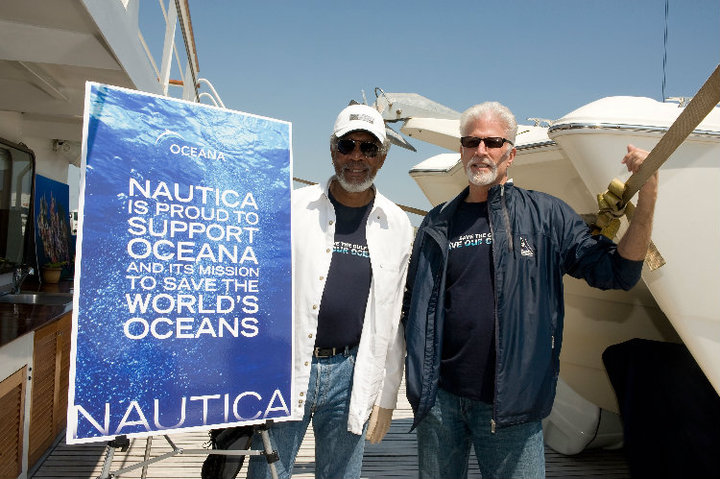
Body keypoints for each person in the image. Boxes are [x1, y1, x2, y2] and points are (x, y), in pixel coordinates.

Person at [401, 101, 658, 479]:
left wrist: (647, 198)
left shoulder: (548, 216)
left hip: (510, 405)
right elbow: (414, 302)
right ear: (461, 150)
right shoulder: (437, 221)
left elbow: (616, 273)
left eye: (492, 141)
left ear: (511, 152)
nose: (481, 151)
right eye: (472, 142)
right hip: (440, 400)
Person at [247, 104, 414, 479]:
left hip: (352, 372)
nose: (357, 157)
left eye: (369, 148)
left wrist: (387, 396)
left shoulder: (398, 224)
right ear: (332, 150)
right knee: (266, 473)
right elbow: (255, 289)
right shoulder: (292, 209)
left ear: (383, 157)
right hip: (285, 368)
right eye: (348, 145)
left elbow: (392, 316)